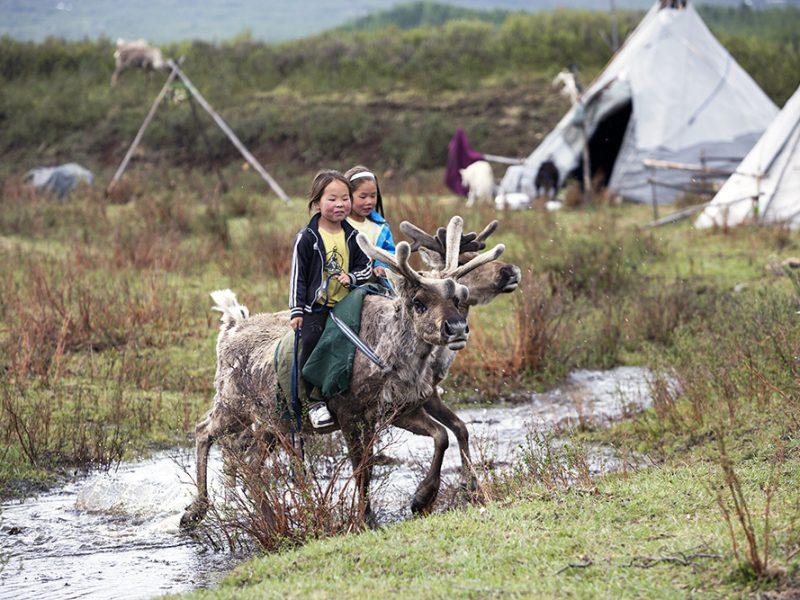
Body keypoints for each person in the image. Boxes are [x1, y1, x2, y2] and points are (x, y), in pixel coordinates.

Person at [289, 170, 372, 428]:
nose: (340, 205)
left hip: (347, 305)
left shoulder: (353, 236)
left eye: (345, 199)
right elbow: (297, 276)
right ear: (316, 203)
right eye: (332, 199)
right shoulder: (307, 238)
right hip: (317, 307)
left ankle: (350, 394)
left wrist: (353, 278)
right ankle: (313, 401)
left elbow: (365, 266)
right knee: (311, 341)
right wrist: (297, 311)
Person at [343, 165, 396, 283]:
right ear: (347, 196)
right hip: (346, 287)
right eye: (363, 197)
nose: (369, 201)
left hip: (377, 287)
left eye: (373, 196)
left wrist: (382, 265)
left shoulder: (381, 227)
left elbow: (389, 251)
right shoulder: (339, 225)